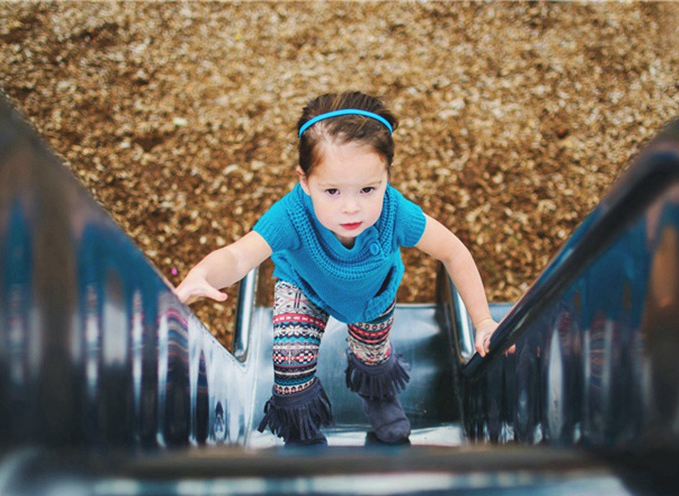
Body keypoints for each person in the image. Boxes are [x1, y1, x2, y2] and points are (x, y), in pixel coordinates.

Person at [176, 91, 501, 446]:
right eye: (331, 191)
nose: (351, 208)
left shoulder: (396, 213)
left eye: (367, 189)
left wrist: (482, 320)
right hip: (305, 287)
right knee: (290, 364)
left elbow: (454, 252)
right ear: (305, 182)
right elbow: (240, 257)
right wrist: (204, 273)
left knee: (372, 354)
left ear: (386, 178)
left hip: (371, 296)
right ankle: (301, 428)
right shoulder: (292, 215)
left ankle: (378, 395)